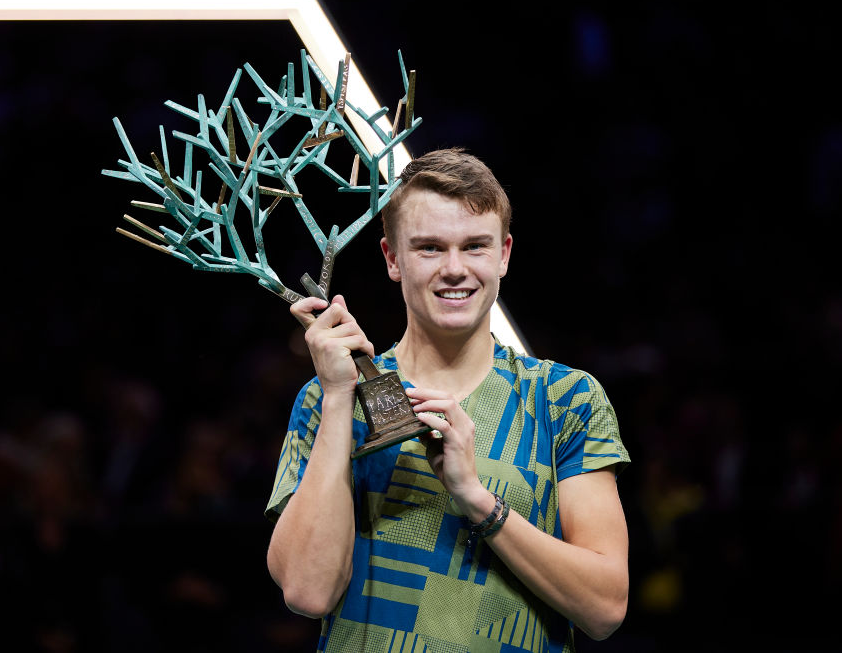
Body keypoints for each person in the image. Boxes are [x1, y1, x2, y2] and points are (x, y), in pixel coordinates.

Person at [266, 149, 630, 652]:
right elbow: (307, 591)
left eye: (475, 246)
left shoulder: (564, 399)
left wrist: (475, 498)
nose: (455, 269)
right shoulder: (329, 398)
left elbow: (605, 608)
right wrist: (335, 397)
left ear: (503, 254)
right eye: (430, 248)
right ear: (393, 258)